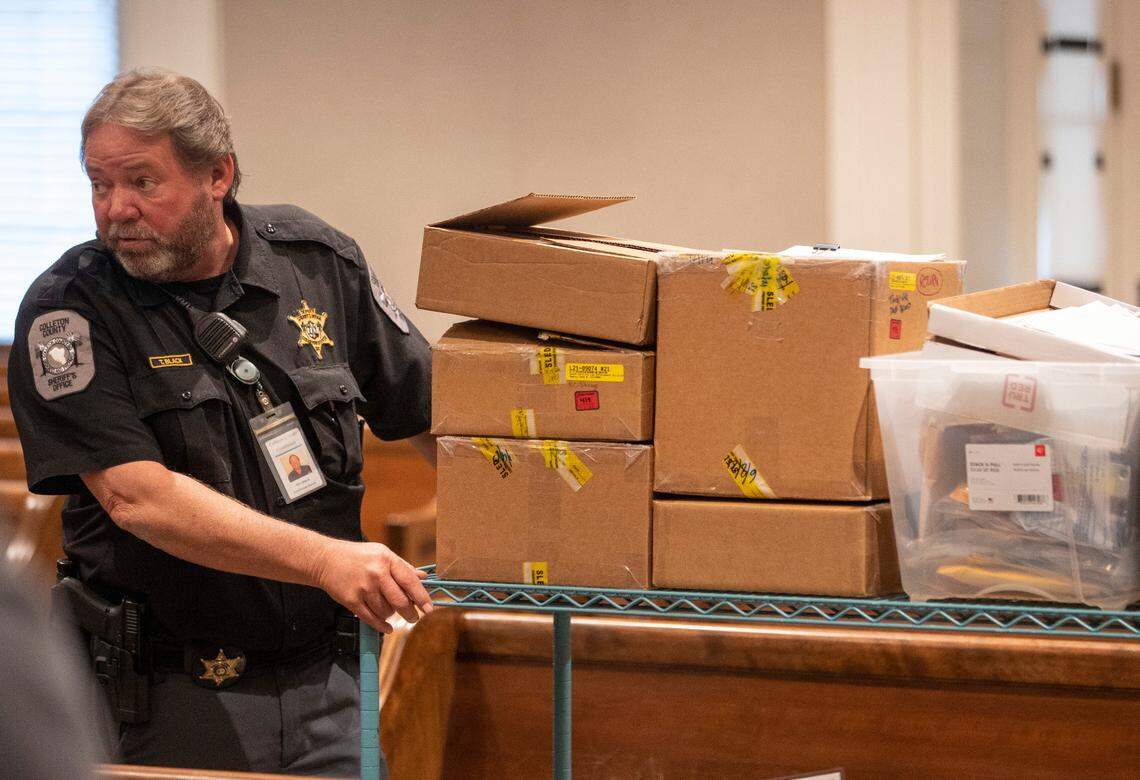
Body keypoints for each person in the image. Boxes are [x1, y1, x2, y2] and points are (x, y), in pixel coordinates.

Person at [8, 67, 435, 777]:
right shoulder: (68, 311)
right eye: (99, 184)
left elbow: (435, 419)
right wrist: (327, 560)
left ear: (218, 175)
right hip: (160, 697)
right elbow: (136, 497)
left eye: (142, 182)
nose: (116, 209)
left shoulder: (317, 265)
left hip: (326, 683)